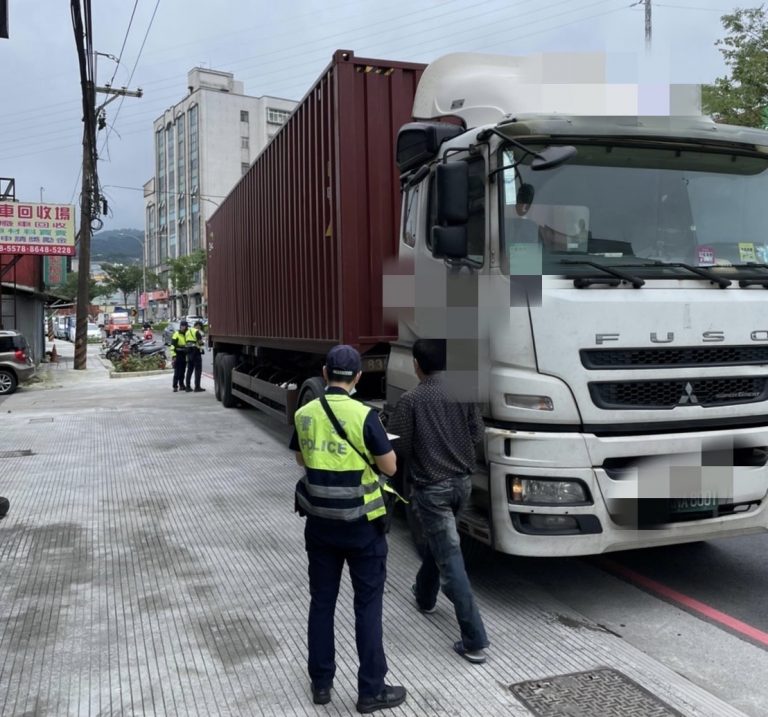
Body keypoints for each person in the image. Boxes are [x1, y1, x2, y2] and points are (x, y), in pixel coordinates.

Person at [290, 345, 406, 713]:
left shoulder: (305, 412)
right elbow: (389, 468)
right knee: (367, 607)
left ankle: (321, 684)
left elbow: (300, 457)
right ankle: (371, 690)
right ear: (357, 377)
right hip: (363, 529)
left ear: (325, 374)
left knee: (321, 604)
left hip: (320, 525)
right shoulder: (365, 415)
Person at [387, 338, 490, 664]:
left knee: (451, 560)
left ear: (417, 365)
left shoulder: (412, 399)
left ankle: (474, 638)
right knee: (441, 545)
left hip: (432, 489)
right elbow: (476, 435)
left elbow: (399, 447)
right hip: (463, 485)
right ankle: (424, 594)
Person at [184, 320, 206, 393]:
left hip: (188, 352)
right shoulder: (196, 332)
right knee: (198, 370)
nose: (200, 328)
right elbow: (200, 342)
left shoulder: (187, 332)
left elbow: (186, 341)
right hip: (196, 352)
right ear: (198, 326)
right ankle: (197, 387)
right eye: (200, 327)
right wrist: (203, 343)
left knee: (189, 370)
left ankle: (188, 387)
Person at [170, 320, 189, 393]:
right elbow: (172, 346)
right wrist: (174, 356)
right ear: (180, 326)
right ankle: (175, 386)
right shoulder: (176, 334)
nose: (184, 327)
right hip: (177, 355)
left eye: (185, 326)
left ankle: (181, 385)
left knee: (183, 371)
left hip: (184, 355)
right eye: (182, 326)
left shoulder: (187, 334)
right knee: (177, 371)